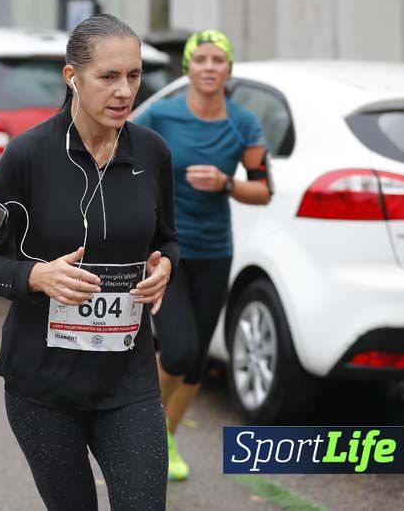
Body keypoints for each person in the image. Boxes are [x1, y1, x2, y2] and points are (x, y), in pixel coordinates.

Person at [0, 14, 179, 511]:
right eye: (108, 77)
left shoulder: (153, 153)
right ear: (72, 77)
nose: (124, 91)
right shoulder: (26, 157)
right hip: (44, 387)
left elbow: (169, 238)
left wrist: (166, 264)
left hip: (128, 381)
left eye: (134, 75)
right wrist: (36, 275)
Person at [134, 29, 273, 481]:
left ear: (229, 69)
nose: (210, 67)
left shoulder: (244, 123)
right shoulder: (162, 115)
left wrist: (226, 183)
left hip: (215, 250)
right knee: (177, 351)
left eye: (219, 59)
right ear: (188, 68)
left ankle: (163, 441)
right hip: (166, 251)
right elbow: (128, 162)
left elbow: (264, 189)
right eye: (201, 59)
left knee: (194, 365)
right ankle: (130, 428)